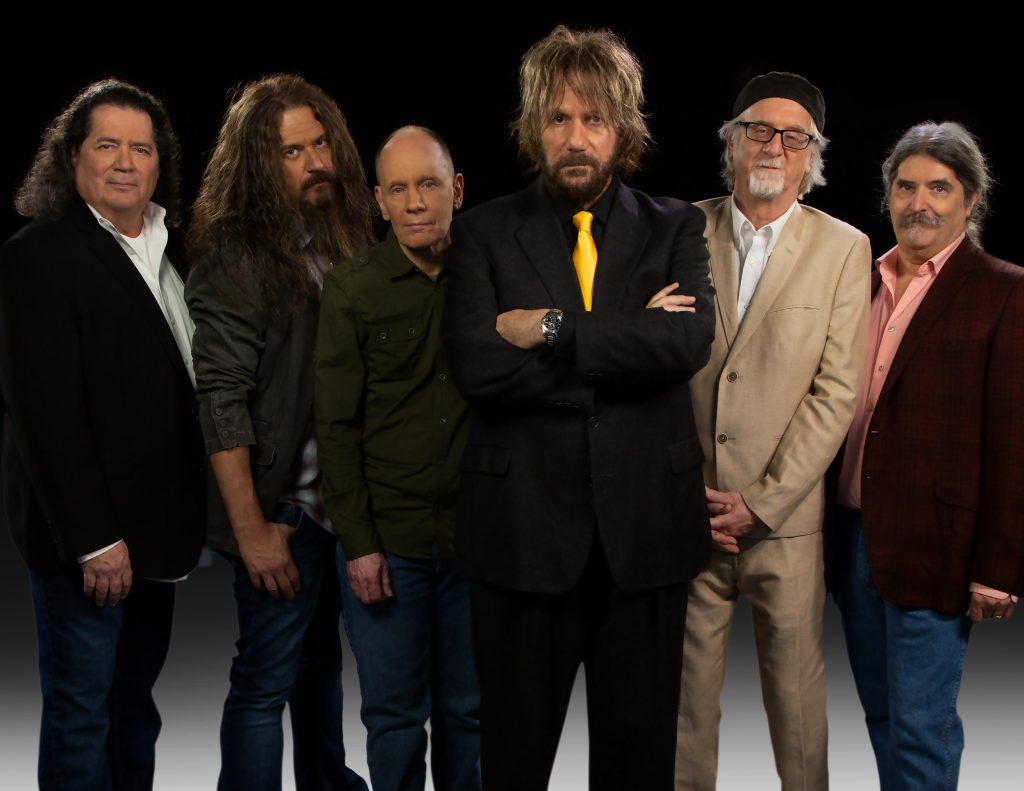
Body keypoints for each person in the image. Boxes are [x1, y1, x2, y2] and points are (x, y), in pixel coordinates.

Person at [442, 25, 714, 791]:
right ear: (532, 128)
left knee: (638, 767)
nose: (575, 137)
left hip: (646, 537)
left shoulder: (675, 225)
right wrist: (626, 344)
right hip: (522, 535)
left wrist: (553, 329)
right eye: (558, 117)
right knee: (514, 763)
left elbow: (685, 342)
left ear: (624, 128)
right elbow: (476, 366)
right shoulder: (483, 232)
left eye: (594, 118)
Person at [0, 78, 205, 790]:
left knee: (132, 709)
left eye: (141, 148)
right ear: (72, 158)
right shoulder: (38, 256)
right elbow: (44, 414)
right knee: (81, 713)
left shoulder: (173, 249)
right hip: (89, 545)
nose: (125, 162)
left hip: (157, 534)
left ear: (159, 162)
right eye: (107, 145)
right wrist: (95, 540)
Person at [676, 72, 871, 791]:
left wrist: (761, 501)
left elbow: (836, 391)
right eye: (758, 130)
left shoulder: (844, 248)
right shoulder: (678, 227)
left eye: (794, 137)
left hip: (783, 523)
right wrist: (684, 487)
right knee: (683, 709)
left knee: (797, 709)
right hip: (689, 513)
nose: (774, 146)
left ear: (812, 156)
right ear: (730, 142)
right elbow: (654, 371)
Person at [186, 74, 374, 791]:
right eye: (291, 152)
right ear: (259, 167)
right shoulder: (235, 260)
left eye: (320, 143)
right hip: (283, 514)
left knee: (319, 665)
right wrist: (252, 531)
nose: (315, 162)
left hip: (338, 510)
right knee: (264, 679)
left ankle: (326, 781)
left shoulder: (345, 240)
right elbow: (221, 403)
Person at [832, 121, 1023, 791]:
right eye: (906, 187)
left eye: (939, 188)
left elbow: (1014, 440)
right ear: (887, 195)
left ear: (971, 199)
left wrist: (998, 568)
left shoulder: (1004, 290)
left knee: (920, 725)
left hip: (935, 541)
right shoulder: (857, 281)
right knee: (882, 715)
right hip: (849, 534)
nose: (919, 203)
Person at [316, 125, 479, 791]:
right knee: (394, 717)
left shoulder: (492, 275)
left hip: (476, 541)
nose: (415, 202)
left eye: (429, 185)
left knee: (469, 712)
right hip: (388, 543)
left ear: (457, 190)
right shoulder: (353, 289)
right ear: (378, 201)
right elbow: (335, 427)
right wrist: (359, 545)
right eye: (399, 189)